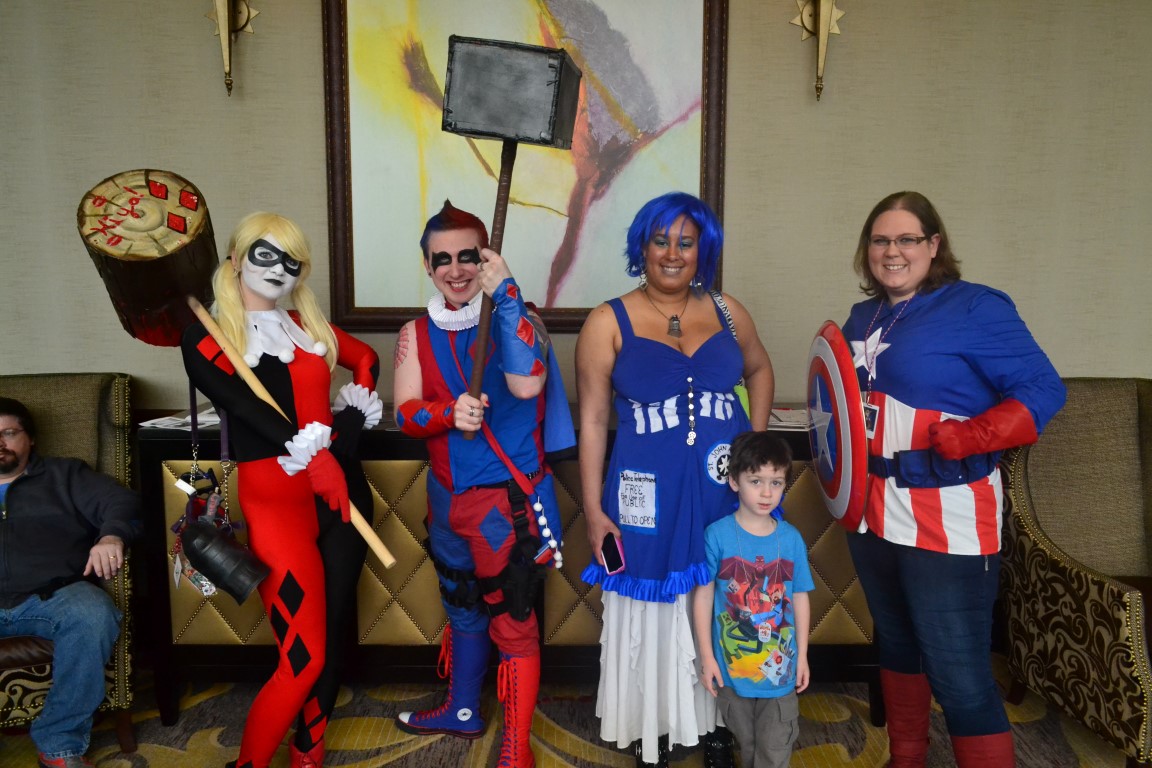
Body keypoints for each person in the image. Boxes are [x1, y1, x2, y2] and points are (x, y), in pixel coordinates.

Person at [841, 191, 1066, 767]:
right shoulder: (863, 317)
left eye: (907, 239)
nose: (892, 251)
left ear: (934, 244)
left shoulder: (976, 307)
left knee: (958, 669)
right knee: (897, 644)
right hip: (871, 510)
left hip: (947, 513)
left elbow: (1044, 390)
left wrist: (975, 435)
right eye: (881, 240)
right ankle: (906, 759)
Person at [576, 191, 774, 768]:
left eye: (686, 243)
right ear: (642, 246)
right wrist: (594, 510)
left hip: (721, 489)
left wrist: (754, 452)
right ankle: (653, 726)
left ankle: (720, 726)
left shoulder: (729, 311)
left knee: (727, 598)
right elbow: (593, 420)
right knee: (655, 599)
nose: (671, 253)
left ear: (702, 251)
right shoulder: (606, 320)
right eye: (660, 240)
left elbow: (760, 369)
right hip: (644, 492)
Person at [181, 212, 382, 768]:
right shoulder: (209, 334)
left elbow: (366, 359)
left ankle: (308, 751)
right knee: (303, 656)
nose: (279, 268)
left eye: (291, 260)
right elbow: (243, 406)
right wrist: (312, 456)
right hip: (278, 505)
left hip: (341, 496)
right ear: (236, 259)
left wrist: (349, 424)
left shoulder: (305, 325)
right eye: (265, 255)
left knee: (332, 637)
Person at [391, 201, 575, 768]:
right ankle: (463, 709)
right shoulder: (414, 331)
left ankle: (516, 749)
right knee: (463, 609)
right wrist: (447, 413)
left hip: (504, 505)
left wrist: (508, 292)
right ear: (427, 266)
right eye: (442, 259)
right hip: (445, 502)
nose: (456, 269)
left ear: (487, 258)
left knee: (512, 624)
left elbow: (526, 385)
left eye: (468, 256)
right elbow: (404, 411)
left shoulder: (521, 319)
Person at [0, 397, 141, 768]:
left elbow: (121, 501)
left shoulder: (65, 475)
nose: (0, 443)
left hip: (53, 595)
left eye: (9, 433)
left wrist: (111, 536)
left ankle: (59, 745)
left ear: (30, 439)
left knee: (93, 615)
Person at [693, 431, 812, 768]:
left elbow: (800, 597)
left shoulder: (791, 540)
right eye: (756, 481)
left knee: (773, 751)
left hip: (781, 675)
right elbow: (703, 596)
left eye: (776, 482)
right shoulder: (717, 535)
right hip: (732, 675)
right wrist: (706, 657)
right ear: (734, 481)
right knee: (747, 748)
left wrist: (803, 655)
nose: (766, 492)